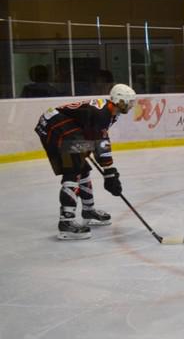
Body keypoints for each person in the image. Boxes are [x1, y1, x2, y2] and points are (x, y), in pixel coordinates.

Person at [34, 84, 136, 240]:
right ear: (117, 100)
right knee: (73, 171)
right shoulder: (103, 113)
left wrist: (109, 171)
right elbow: (101, 142)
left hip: (63, 127)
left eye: (131, 102)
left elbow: (97, 139)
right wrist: (109, 171)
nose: (130, 105)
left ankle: (88, 210)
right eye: (127, 102)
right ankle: (66, 223)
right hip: (55, 128)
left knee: (82, 168)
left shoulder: (110, 112)